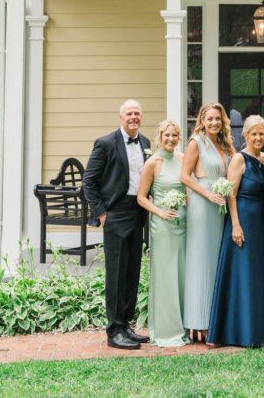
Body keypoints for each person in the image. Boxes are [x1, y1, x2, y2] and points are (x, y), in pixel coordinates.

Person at [82, 98, 151, 350]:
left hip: (138, 211)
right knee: (116, 273)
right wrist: (101, 213)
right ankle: (114, 331)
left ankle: (125, 325)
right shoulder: (105, 143)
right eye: (129, 113)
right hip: (115, 213)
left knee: (132, 272)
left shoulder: (145, 143)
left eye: (137, 114)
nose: (134, 117)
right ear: (120, 117)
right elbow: (88, 181)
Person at [208, 115, 264, 347]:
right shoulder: (239, 159)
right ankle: (238, 332)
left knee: (258, 274)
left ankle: (261, 331)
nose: (258, 138)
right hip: (242, 218)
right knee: (242, 273)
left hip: (259, 219)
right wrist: (235, 225)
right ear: (246, 136)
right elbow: (231, 194)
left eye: (261, 133)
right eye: (253, 134)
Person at [181, 102, 234, 342]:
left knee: (215, 260)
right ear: (202, 120)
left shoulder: (223, 143)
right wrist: (207, 194)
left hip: (220, 205)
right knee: (200, 260)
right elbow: (185, 176)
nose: (214, 123)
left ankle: (215, 319)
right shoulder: (196, 143)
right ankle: (198, 321)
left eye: (218, 119)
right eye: (209, 119)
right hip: (203, 204)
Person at [136, 119, 189, 348]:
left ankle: (186, 324)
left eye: (174, 135)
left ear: (179, 138)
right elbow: (141, 197)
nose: (170, 139)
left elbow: (189, 187)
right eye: (166, 135)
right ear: (160, 136)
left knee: (183, 273)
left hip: (183, 223)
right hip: (163, 226)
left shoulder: (183, 158)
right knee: (165, 275)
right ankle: (167, 329)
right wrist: (160, 212)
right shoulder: (152, 163)